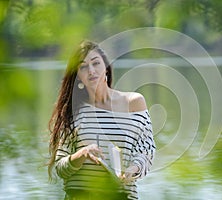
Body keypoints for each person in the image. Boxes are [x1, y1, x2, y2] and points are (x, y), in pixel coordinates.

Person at [48, 40, 156, 200]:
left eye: (96, 63)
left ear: (106, 67)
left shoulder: (133, 102)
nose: (91, 70)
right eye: (83, 67)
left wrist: (133, 169)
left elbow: (146, 151)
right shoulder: (73, 111)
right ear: (78, 76)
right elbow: (60, 168)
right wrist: (82, 153)